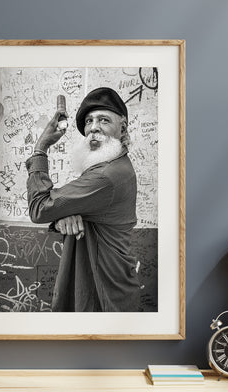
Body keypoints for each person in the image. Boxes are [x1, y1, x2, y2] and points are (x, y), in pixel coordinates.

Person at [25, 87, 141, 312]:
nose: (93, 127)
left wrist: (41, 147)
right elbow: (67, 209)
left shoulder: (106, 176)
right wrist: (62, 218)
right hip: (97, 289)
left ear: (123, 127)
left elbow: (39, 207)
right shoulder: (109, 168)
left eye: (104, 120)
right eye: (88, 121)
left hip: (104, 297)